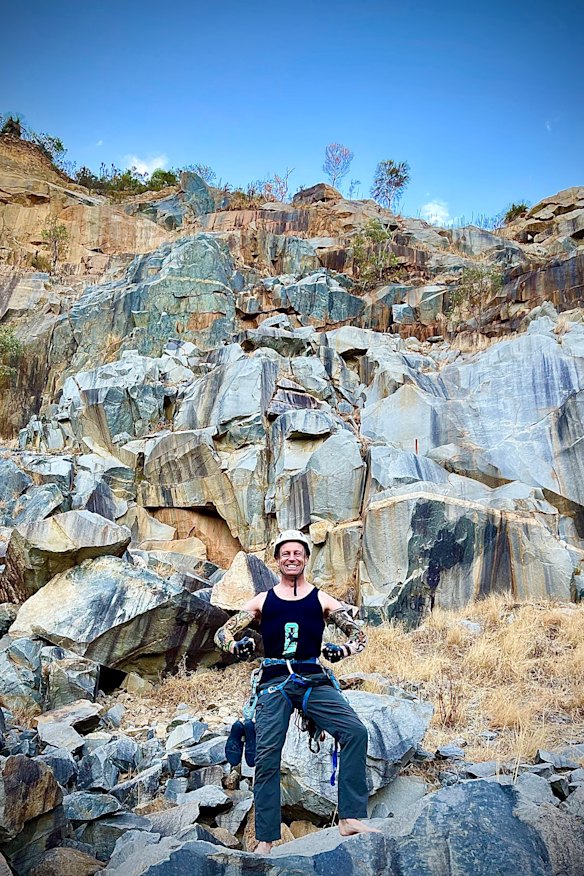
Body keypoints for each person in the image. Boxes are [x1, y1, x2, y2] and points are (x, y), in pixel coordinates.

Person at [214, 529, 379, 855]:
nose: (292, 558)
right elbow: (223, 632)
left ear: (305, 558)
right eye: (285, 553)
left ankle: (349, 818)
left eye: (297, 553)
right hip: (274, 683)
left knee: (355, 731)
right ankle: (265, 841)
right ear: (277, 560)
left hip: (312, 678)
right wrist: (237, 645)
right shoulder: (262, 601)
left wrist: (342, 651)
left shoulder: (321, 598)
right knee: (267, 755)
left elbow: (359, 635)